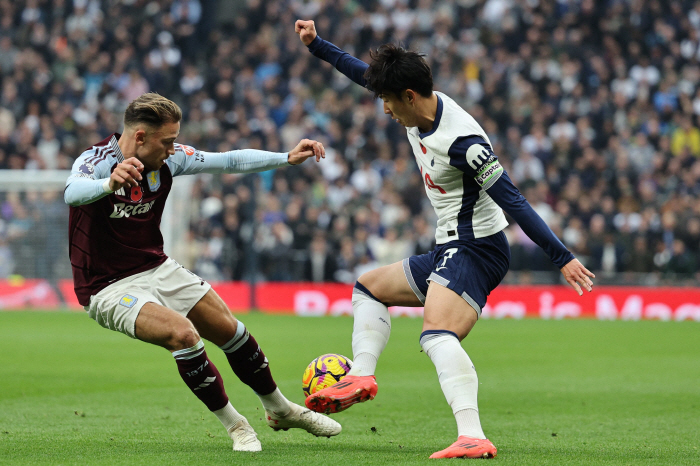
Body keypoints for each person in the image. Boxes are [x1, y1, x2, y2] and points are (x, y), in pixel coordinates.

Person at [295, 20, 595, 459]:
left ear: (409, 97)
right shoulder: (414, 102)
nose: (383, 109)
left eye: (387, 101)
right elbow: (360, 71)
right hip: (449, 246)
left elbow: (514, 202)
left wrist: (562, 257)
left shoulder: (464, 143)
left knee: (436, 334)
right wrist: (316, 45)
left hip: (477, 248)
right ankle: (361, 373)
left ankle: (472, 434)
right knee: (368, 287)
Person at [64, 93, 341, 452]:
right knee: (183, 335)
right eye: (167, 141)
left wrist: (286, 158)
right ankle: (237, 426)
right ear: (140, 137)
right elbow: (72, 191)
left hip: (156, 266)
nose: (173, 148)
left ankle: (280, 409)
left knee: (231, 330)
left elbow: (227, 161)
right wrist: (108, 184)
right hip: (106, 286)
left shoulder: (170, 158)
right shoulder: (98, 161)